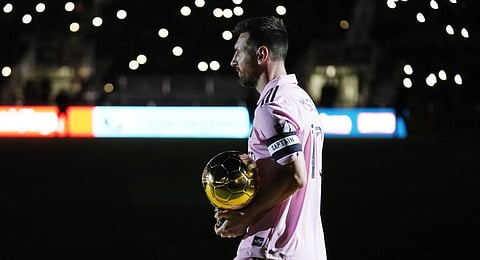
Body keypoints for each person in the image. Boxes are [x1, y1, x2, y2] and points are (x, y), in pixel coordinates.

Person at [214, 16, 328, 259]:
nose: (233, 61)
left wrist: (247, 215)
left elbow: (295, 176)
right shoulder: (302, 100)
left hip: (272, 248)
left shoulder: (271, 107)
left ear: (261, 54)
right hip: (309, 249)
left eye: (238, 52)